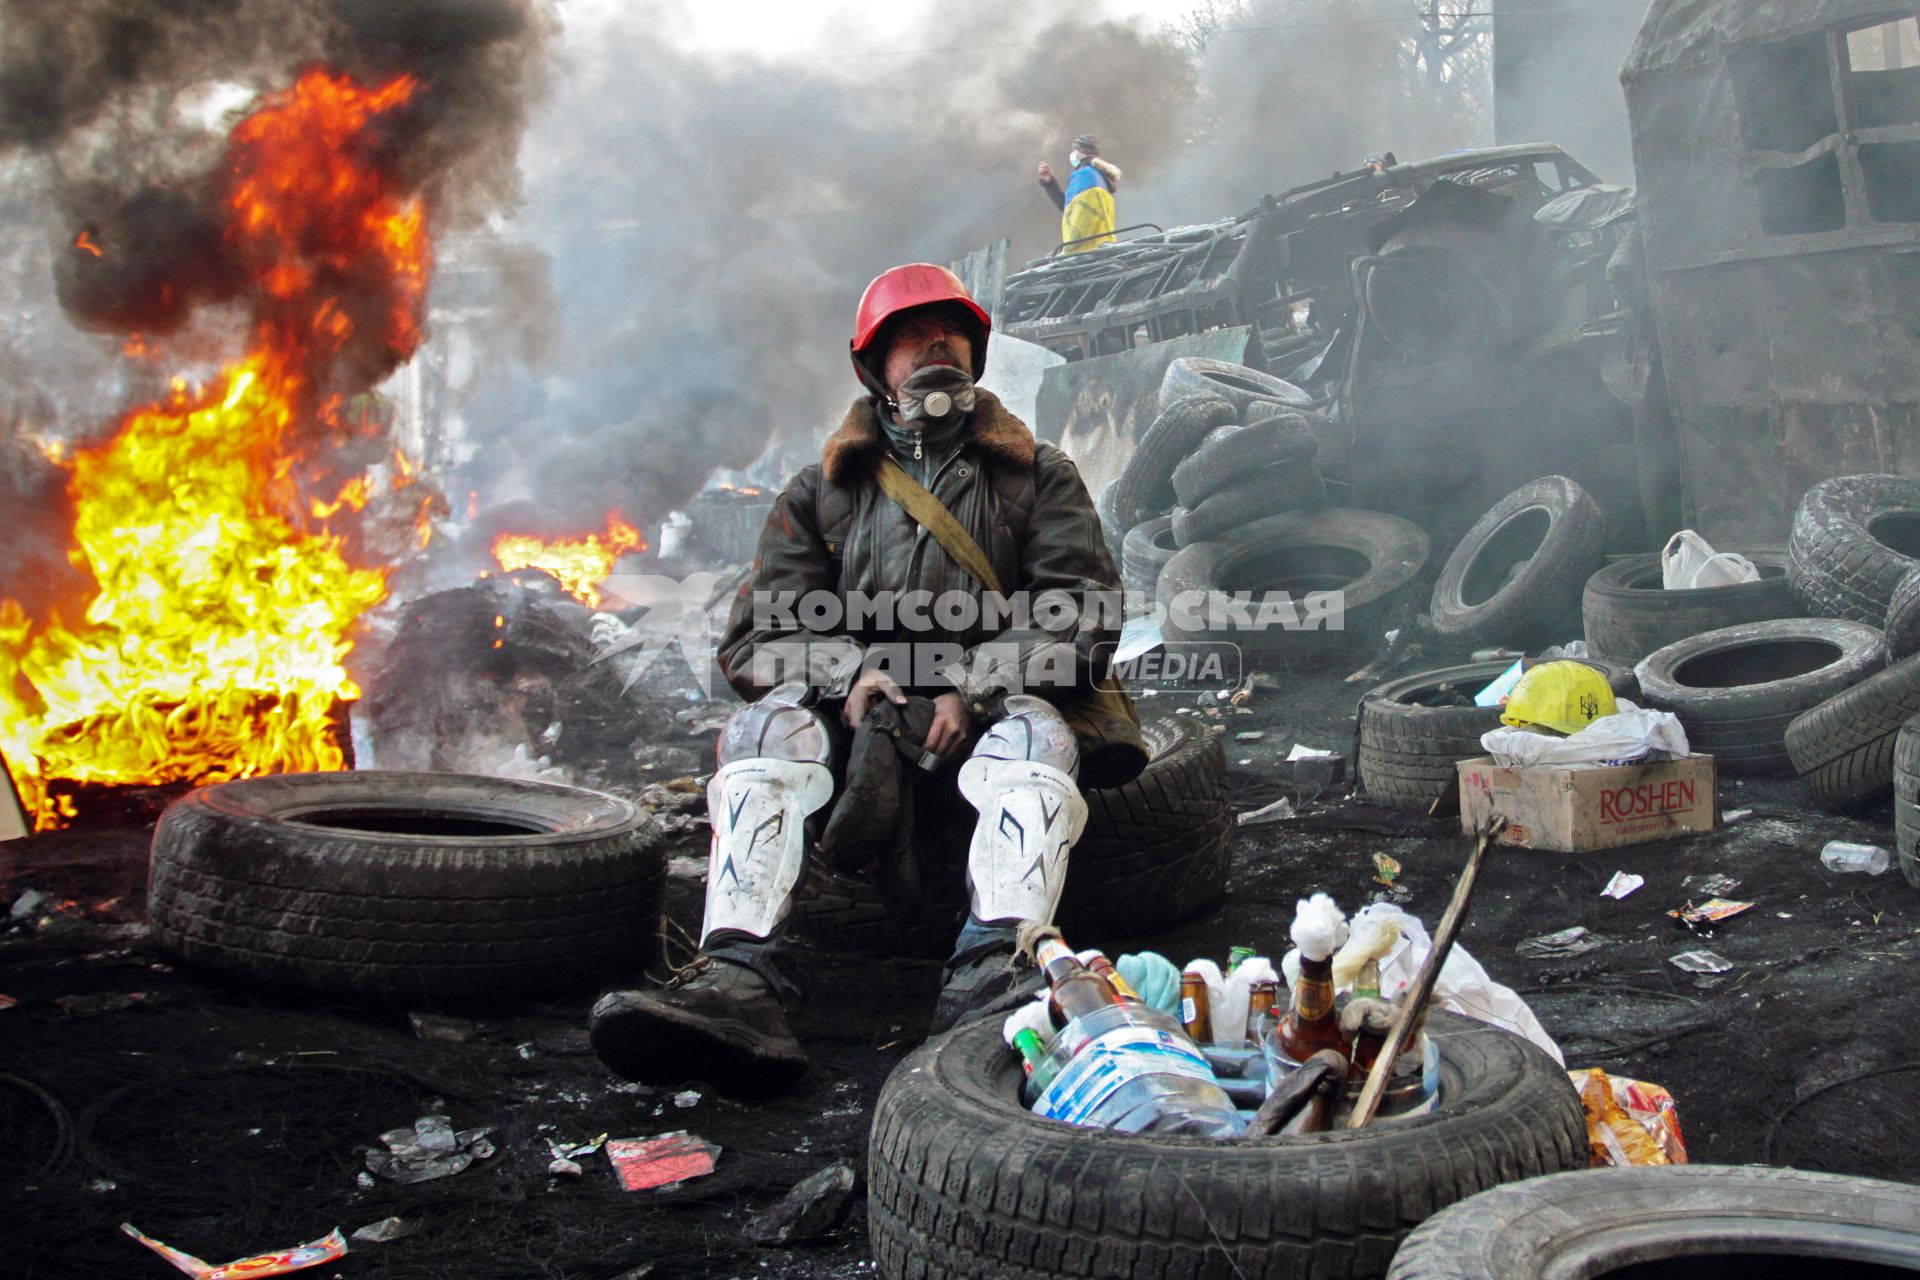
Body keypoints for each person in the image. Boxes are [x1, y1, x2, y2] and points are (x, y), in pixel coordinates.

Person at [589, 264, 1145, 1097]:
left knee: (1042, 732)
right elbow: (759, 633)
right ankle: (738, 981)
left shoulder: (1037, 474)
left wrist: (972, 685)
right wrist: (848, 674)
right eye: (909, 336)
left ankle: (992, 970)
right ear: (874, 366)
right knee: (762, 733)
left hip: (987, 720)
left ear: (976, 351)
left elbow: (1078, 607)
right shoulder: (822, 490)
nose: (934, 346)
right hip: (861, 730)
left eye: (950, 332)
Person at [1037, 133, 1121, 253]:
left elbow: (1070, 210)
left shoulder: (1083, 175)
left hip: (1084, 249)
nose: (1072, 154)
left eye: (1074, 150)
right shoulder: (1103, 178)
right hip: (1103, 245)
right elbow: (1072, 205)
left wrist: (1068, 251)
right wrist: (1049, 181)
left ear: (1081, 151)